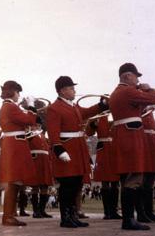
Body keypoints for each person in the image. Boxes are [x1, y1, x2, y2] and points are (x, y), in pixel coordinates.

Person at [46, 76, 109, 228]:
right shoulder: (54, 108)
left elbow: (87, 112)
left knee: (75, 184)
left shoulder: (73, 106)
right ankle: (65, 218)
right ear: (62, 90)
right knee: (67, 185)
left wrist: (102, 105)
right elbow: (53, 131)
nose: (74, 91)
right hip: (67, 149)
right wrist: (59, 149)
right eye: (71, 88)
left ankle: (73, 215)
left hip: (77, 148)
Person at [109, 63, 155, 230]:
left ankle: (130, 218)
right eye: (136, 76)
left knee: (129, 179)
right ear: (127, 76)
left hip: (124, 136)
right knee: (134, 179)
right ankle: (129, 220)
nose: (138, 80)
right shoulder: (128, 91)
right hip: (131, 138)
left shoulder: (118, 92)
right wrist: (148, 88)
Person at [0, 80, 38, 226]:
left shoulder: (9, 107)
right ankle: (8, 216)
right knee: (14, 181)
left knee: (16, 181)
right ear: (12, 92)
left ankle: (9, 215)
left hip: (15, 143)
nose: (19, 95)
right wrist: (32, 105)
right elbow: (30, 120)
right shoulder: (10, 107)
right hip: (15, 144)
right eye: (18, 92)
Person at [86, 115, 122, 220]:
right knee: (105, 182)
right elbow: (89, 132)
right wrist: (93, 123)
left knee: (115, 182)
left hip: (115, 150)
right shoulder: (100, 116)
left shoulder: (117, 113)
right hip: (103, 150)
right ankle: (107, 212)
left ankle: (114, 211)